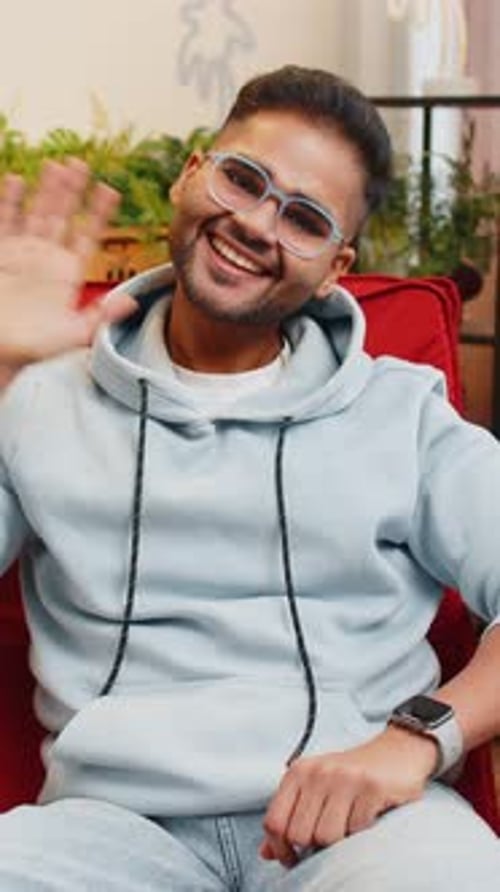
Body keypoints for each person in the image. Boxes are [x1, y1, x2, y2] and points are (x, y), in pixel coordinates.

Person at [0, 65, 497, 891]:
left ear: (336, 265)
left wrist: (416, 739)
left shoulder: (404, 412)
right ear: (194, 172)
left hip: (367, 830)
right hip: (104, 831)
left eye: (304, 217)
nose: (259, 223)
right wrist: (0, 366)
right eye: (244, 179)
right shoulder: (40, 396)